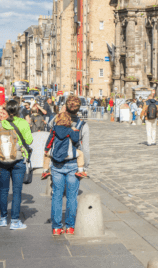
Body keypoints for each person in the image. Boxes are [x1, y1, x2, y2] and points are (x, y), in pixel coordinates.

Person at [48, 96, 90, 235]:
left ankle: (56, 227)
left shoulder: (57, 120)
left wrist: (60, 113)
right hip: (73, 163)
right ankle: (70, 227)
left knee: (57, 196)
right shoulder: (83, 125)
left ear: (65, 106)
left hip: (57, 163)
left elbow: (49, 126)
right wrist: (84, 166)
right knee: (72, 197)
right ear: (79, 109)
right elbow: (86, 148)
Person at [0, 100, 33, 230]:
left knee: (4, 191)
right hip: (18, 160)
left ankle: (3, 219)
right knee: (17, 191)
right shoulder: (22, 123)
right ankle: (15, 221)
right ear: (17, 110)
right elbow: (29, 140)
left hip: (3, 161)